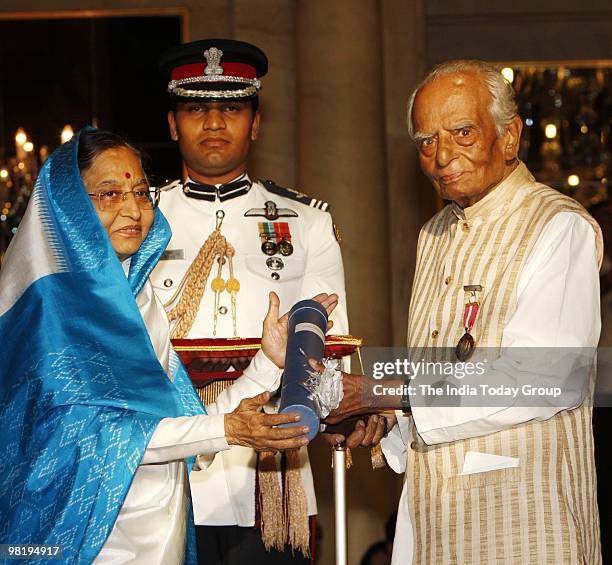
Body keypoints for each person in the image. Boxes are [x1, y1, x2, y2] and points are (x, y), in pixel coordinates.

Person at [0, 128, 338, 564]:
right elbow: (100, 436)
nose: (133, 209)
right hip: (86, 542)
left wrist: (267, 363)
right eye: (109, 194)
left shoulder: (139, 298)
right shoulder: (54, 309)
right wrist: (228, 430)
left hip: (162, 538)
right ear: (69, 207)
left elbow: (185, 429)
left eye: (140, 192)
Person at [326, 60, 603, 564]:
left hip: (525, 523)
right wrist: (387, 419)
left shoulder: (558, 227)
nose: (442, 156)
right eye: (426, 141)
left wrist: (381, 390)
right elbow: (440, 374)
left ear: (511, 136)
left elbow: (543, 379)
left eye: (462, 132)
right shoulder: (432, 235)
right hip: (435, 521)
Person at [150, 39, 348, 563]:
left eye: (232, 109)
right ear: (173, 124)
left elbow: (329, 347)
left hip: (268, 463)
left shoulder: (306, 222)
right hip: (165, 466)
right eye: (195, 109)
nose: (213, 124)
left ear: (255, 123)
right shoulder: (137, 219)